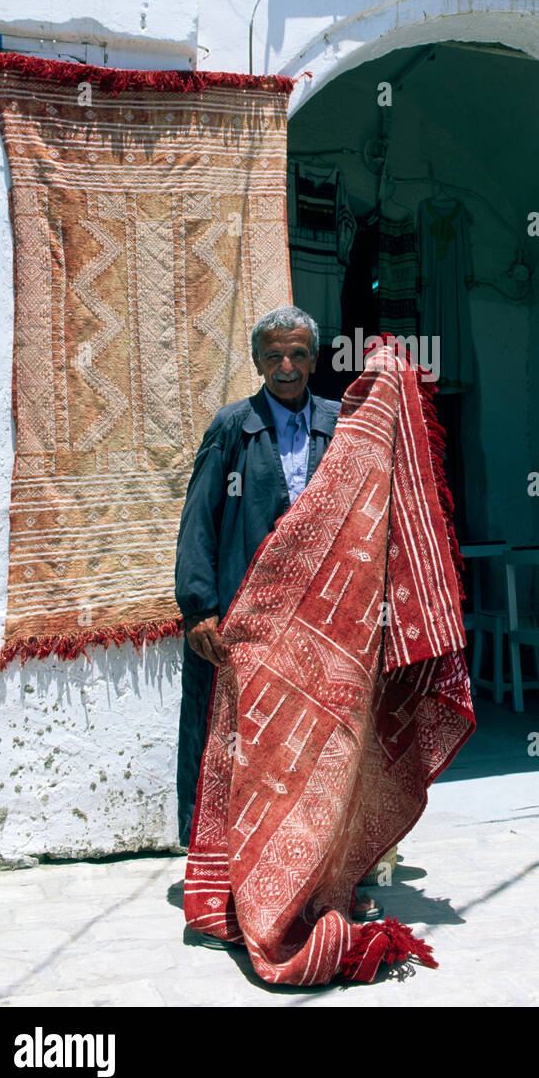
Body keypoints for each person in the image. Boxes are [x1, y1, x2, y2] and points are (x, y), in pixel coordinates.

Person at [174, 305, 383, 923]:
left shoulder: (340, 423)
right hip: (248, 622)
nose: (286, 366)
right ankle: (231, 891)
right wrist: (199, 607)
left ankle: (317, 884)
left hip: (321, 624)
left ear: (314, 359)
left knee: (316, 751)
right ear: (257, 361)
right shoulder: (233, 428)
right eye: (273, 356)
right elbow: (199, 521)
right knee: (239, 752)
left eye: (297, 354)